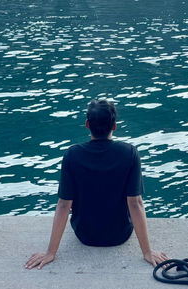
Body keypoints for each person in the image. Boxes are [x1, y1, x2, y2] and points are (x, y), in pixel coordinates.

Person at [25, 98, 168, 270]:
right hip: (120, 234)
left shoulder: (72, 155)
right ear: (114, 126)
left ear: (87, 124)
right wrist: (147, 251)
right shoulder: (129, 153)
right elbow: (135, 203)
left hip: (85, 235)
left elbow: (64, 205)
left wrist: (51, 252)